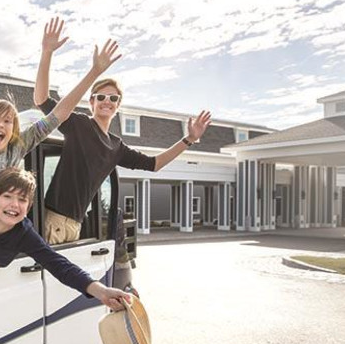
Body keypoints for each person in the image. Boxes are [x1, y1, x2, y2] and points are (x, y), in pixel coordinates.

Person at [34, 18, 212, 244]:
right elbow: (41, 99)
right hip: (55, 221)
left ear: (118, 106)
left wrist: (189, 139)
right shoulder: (79, 125)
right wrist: (47, 52)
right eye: (100, 97)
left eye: (113, 98)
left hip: (75, 226)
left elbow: (154, 164)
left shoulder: (116, 146)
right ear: (92, 102)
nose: (106, 101)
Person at [0, 18, 122, 206]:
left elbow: (57, 116)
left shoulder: (18, 146)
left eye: (7, 121)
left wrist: (93, 72)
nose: (1, 124)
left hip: (4, 226)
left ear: (14, 130)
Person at [0, 167, 131, 311]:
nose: (14, 205)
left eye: (22, 199)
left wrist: (102, 291)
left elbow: (59, 264)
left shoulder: (24, 234)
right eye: (7, 196)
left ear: (29, 206)